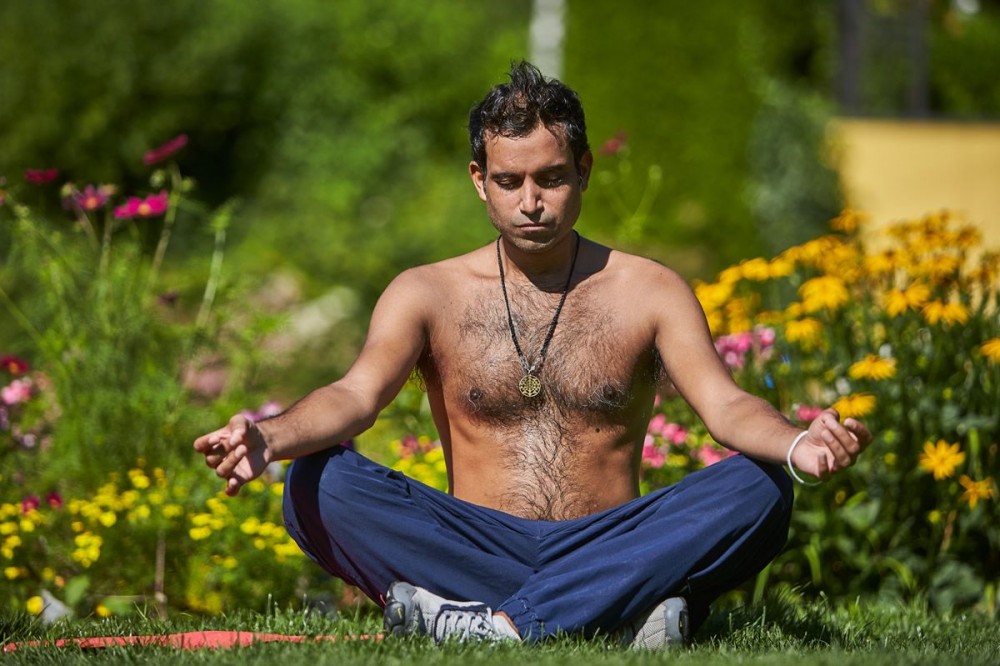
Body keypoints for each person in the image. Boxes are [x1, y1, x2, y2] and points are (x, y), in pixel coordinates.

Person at [194, 61, 872, 648]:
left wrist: (795, 445)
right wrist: (271, 435)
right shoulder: (426, 292)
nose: (532, 204)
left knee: (761, 486)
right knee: (319, 480)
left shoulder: (650, 290)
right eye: (509, 181)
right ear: (478, 180)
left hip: (610, 541)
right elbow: (354, 396)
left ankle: (495, 625)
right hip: (474, 546)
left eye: (550, 178)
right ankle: (611, 614)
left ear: (584, 170)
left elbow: (725, 407)